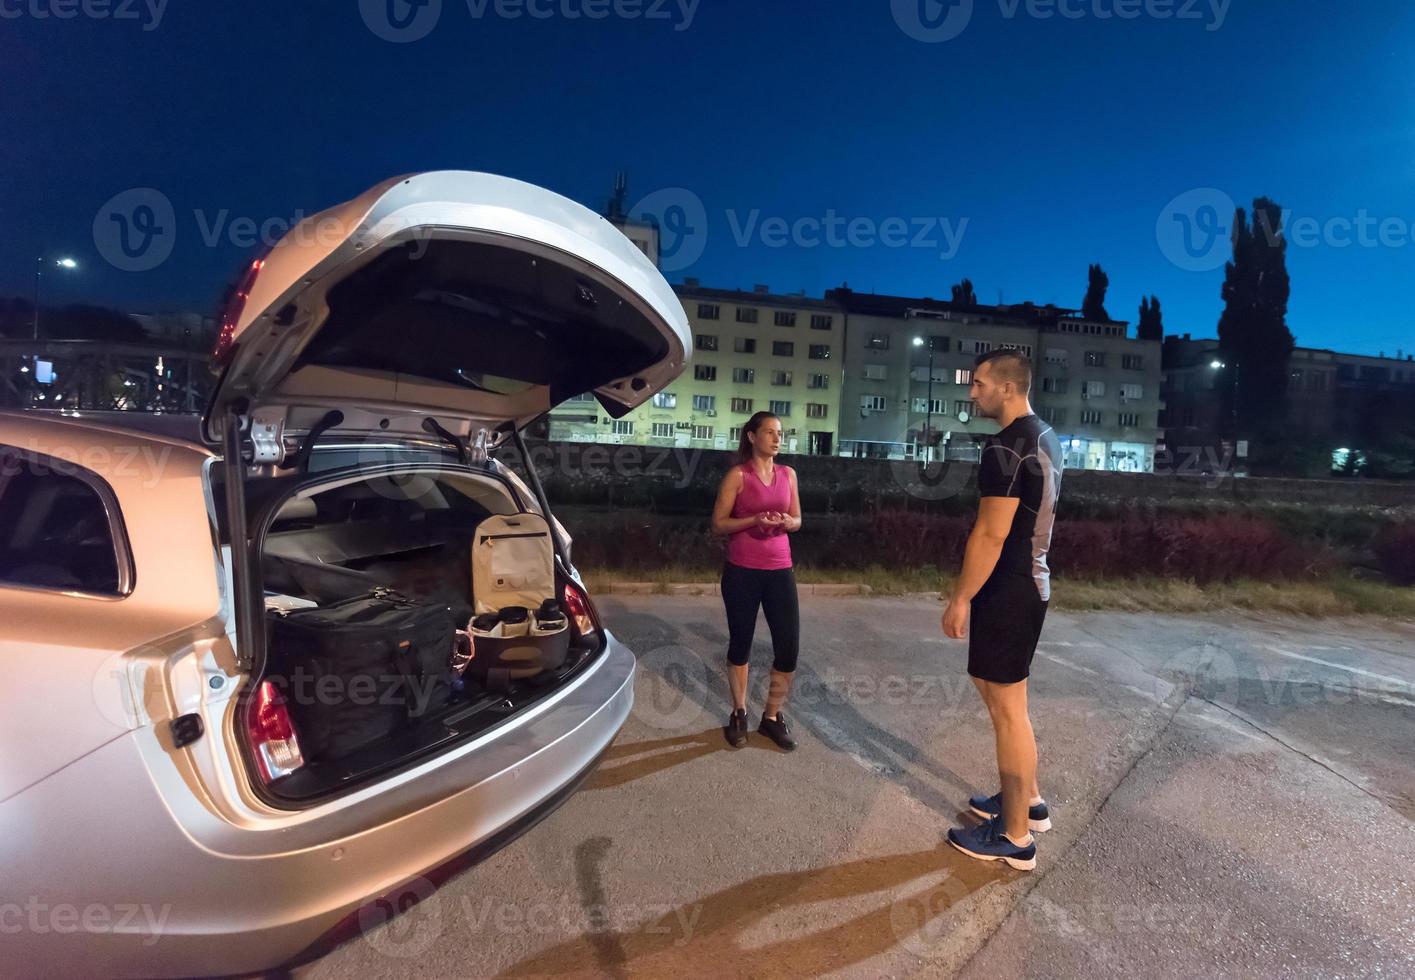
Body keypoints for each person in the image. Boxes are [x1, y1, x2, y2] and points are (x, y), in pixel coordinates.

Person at [942, 348, 1063, 872]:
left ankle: (1015, 838)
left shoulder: (1005, 446)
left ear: (1009, 388)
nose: (972, 393)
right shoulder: (1045, 436)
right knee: (1006, 699)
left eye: (980, 384)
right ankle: (1027, 803)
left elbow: (991, 533)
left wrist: (961, 597)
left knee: (1007, 710)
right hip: (1031, 583)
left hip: (1008, 588)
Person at [711, 411, 802, 751]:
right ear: (751, 437)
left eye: (780, 433)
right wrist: (753, 520)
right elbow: (719, 524)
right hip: (742, 570)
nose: (778, 438)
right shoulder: (738, 476)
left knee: (789, 649)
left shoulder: (788, 474)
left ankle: (772, 717)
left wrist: (785, 522)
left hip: (780, 569)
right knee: (741, 644)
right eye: (770, 432)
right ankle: (739, 712)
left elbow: (797, 518)